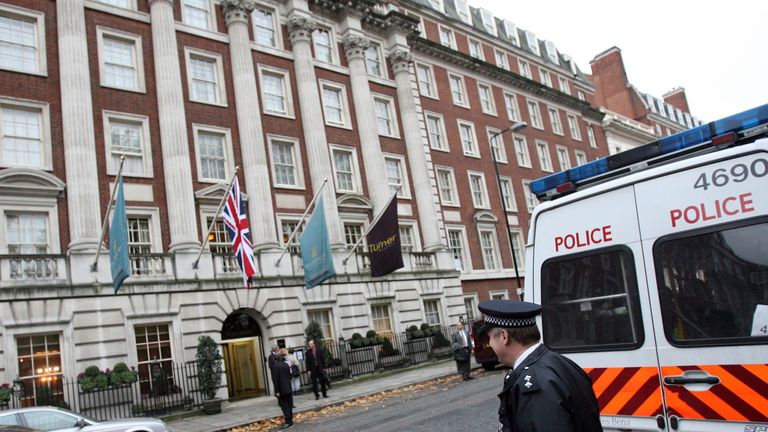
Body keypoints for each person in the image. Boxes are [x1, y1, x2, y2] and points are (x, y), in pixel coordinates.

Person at [476, 299, 602, 432]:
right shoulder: (561, 362)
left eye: (490, 337)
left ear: (504, 336)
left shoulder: (534, 386)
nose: (490, 344)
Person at [271, 348, 294, 429]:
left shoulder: (275, 367)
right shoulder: (286, 365)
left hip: (281, 389)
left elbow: (275, 380)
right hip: (288, 387)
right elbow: (290, 376)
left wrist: (276, 390)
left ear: (275, 360)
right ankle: (290, 420)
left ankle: (288, 421)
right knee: (289, 404)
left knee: (284, 406)